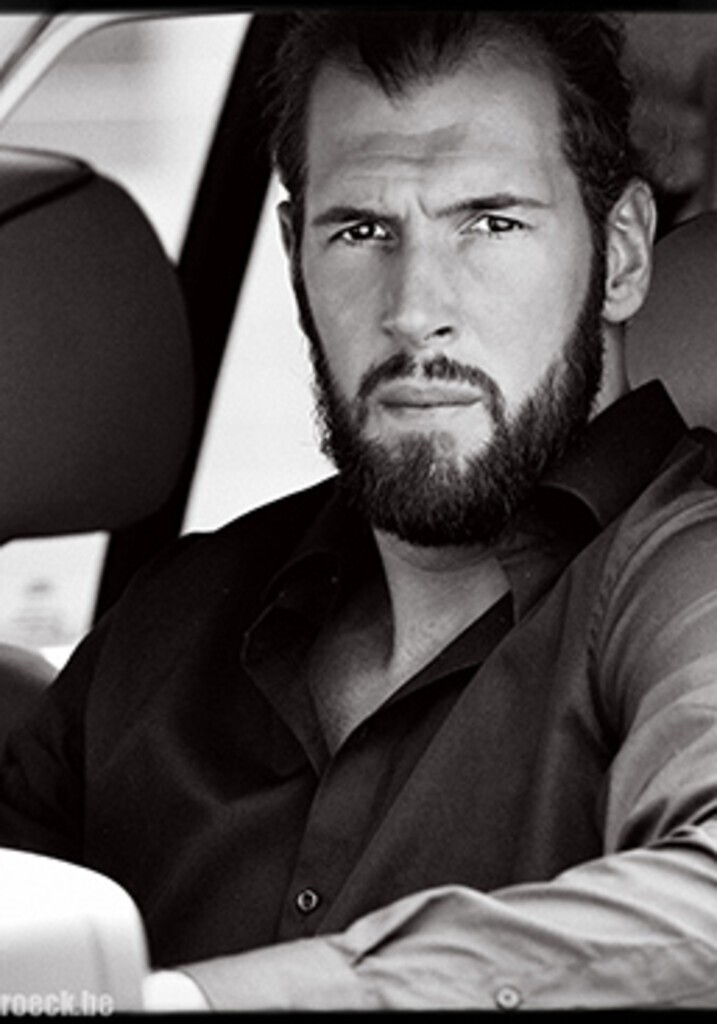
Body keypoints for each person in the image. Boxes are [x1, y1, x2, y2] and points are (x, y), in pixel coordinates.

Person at [1, 10, 717, 1011]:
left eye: (490, 222)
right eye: (361, 231)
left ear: (624, 251)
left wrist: (182, 1005)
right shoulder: (169, 625)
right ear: (295, 255)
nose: (415, 308)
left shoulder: (684, 575)